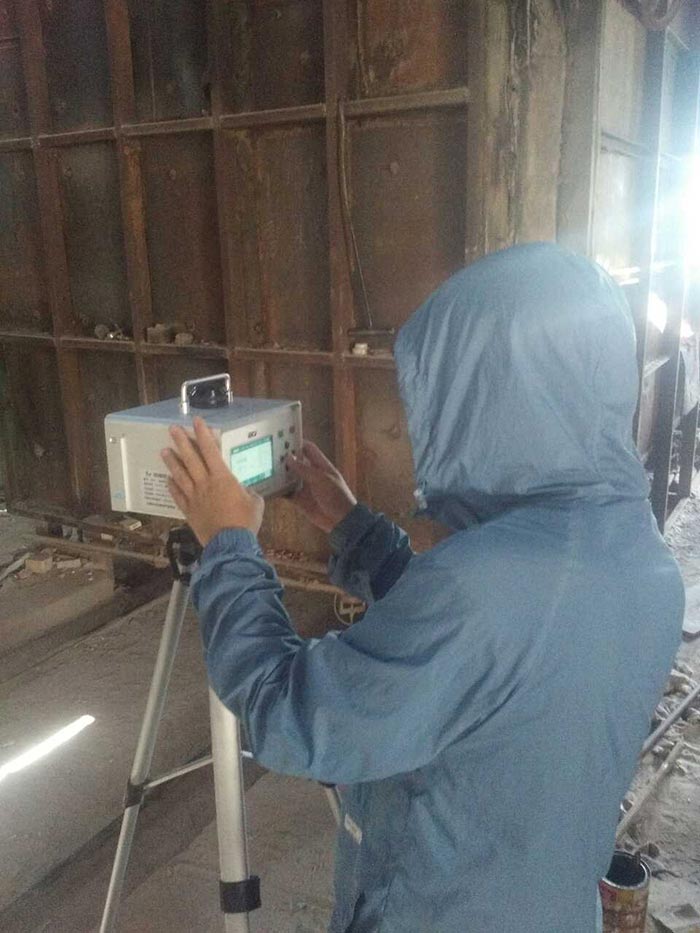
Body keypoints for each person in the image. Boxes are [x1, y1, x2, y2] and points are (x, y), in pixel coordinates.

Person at [160, 242, 684, 933]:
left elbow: (290, 714)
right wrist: (353, 527)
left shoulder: (484, 586)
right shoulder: (641, 555)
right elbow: (488, 656)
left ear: (492, 395)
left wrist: (229, 544)